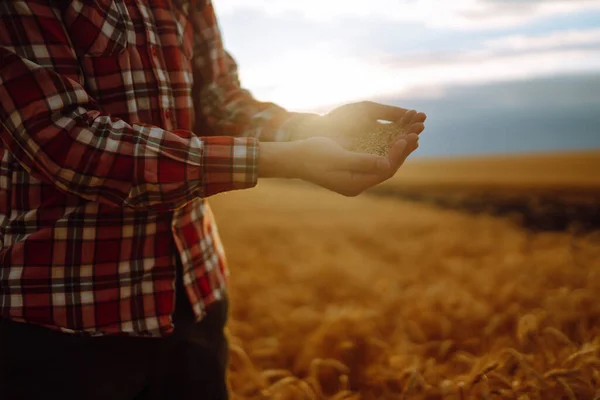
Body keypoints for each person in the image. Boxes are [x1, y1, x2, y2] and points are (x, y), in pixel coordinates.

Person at [0, 1, 426, 399]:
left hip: (196, 297)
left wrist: (315, 132)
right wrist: (278, 159)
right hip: (62, 317)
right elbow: (65, 139)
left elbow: (218, 99)